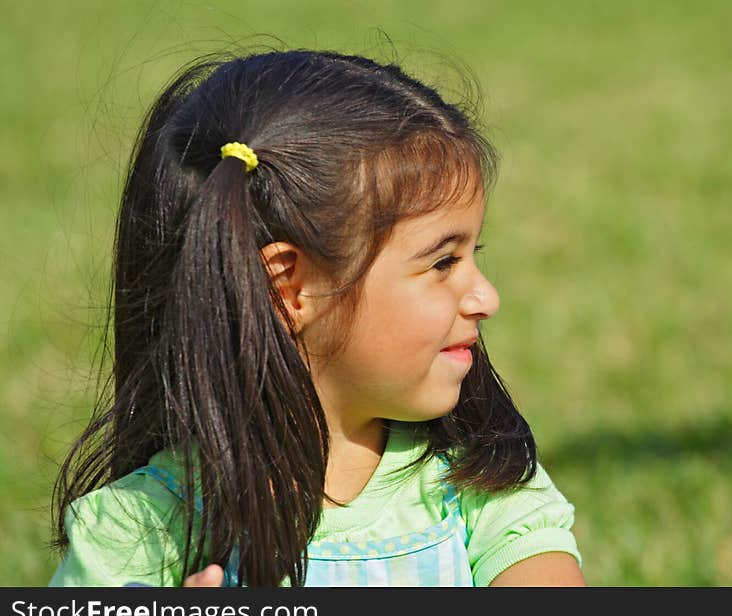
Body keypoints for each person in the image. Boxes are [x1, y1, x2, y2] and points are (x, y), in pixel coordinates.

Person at [49, 48, 585, 587]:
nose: (486, 297)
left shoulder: (481, 485)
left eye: (473, 256)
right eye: (443, 262)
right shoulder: (134, 535)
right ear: (288, 289)